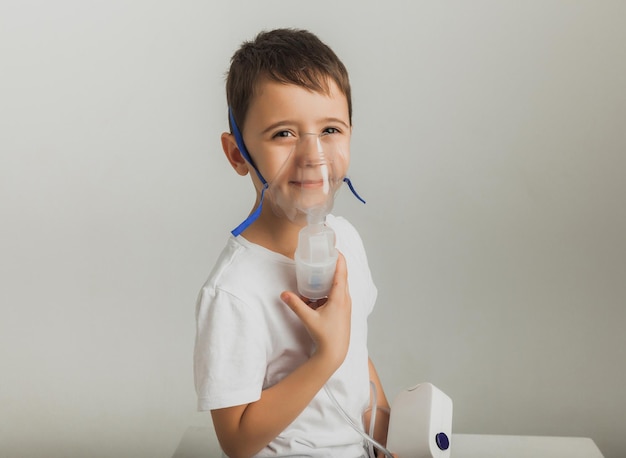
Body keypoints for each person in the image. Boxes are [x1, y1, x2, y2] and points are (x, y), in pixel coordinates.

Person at [194, 28, 393, 458]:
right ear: (237, 154)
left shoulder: (348, 243)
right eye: (283, 133)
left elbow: (356, 357)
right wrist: (326, 355)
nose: (313, 156)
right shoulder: (233, 292)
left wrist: (386, 435)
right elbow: (237, 441)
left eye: (330, 129)